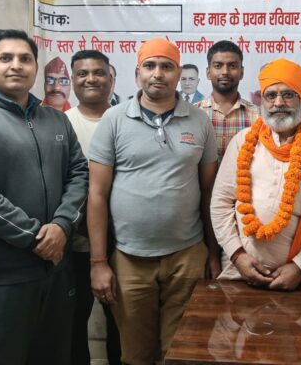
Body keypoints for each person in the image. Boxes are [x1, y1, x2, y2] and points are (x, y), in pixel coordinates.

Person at [0, 29, 88, 364]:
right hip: (4, 278)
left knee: (55, 357)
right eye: (5, 58)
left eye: (25, 58)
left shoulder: (56, 120)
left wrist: (62, 225)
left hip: (57, 271)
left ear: (35, 67)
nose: (16, 65)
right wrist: (37, 237)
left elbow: (79, 174)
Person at [87, 38, 220, 365]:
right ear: (137, 74)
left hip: (187, 257)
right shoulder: (114, 119)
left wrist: (213, 253)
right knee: (136, 355)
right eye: (150, 65)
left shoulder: (200, 121)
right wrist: (98, 262)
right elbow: (97, 195)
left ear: (178, 73)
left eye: (166, 66)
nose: (157, 73)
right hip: (129, 260)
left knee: (182, 354)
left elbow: (208, 193)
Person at [211, 58, 301, 290]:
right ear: (262, 101)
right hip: (237, 273)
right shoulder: (242, 141)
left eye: (288, 94)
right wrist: (237, 256)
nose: (278, 103)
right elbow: (221, 203)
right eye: (271, 95)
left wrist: (300, 267)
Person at [65, 50, 121, 365]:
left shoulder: (126, 120)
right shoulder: (60, 123)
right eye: (82, 73)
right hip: (74, 245)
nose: (91, 79)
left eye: (99, 73)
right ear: (72, 79)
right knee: (74, 323)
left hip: (122, 243)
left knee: (122, 324)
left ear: (111, 78)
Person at [196, 40, 259, 159]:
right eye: (218, 66)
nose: (225, 72)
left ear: (242, 72)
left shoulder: (258, 116)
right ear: (208, 72)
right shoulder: (194, 114)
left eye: (232, 66)